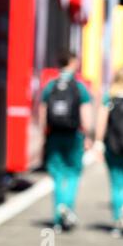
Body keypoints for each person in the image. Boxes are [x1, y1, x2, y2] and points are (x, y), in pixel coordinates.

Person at [39, 50, 92, 233]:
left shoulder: (50, 85)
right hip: (73, 136)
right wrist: (88, 135)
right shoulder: (79, 86)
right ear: (72, 62)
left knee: (57, 174)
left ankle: (58, 212)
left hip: (54, 135)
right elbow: (86, 115)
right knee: (73, 173)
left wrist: (43, 135)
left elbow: (42, 114)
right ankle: (66, 206)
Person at [93, 65, 123, 237]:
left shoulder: (110, 95)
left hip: (113, 146)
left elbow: (101, 120)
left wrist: (98, 142)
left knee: (117, 182)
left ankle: (118, 218)